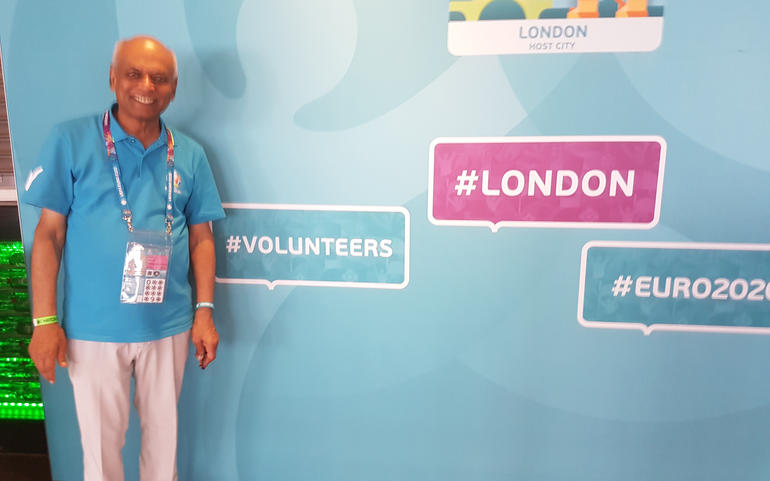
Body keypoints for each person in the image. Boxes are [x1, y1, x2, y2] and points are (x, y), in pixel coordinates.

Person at [24, 35, 225, 481]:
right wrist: (44, 322)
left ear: (174, 88)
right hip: (93, 331)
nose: (147, 86)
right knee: (100, 455)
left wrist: (204, 312)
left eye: (160, 78)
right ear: (113, 78)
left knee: (163, 451)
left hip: (169, 326)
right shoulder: (70, 141)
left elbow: (202, 238)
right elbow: (49, 235)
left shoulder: (190, 154)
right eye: (134, 74)